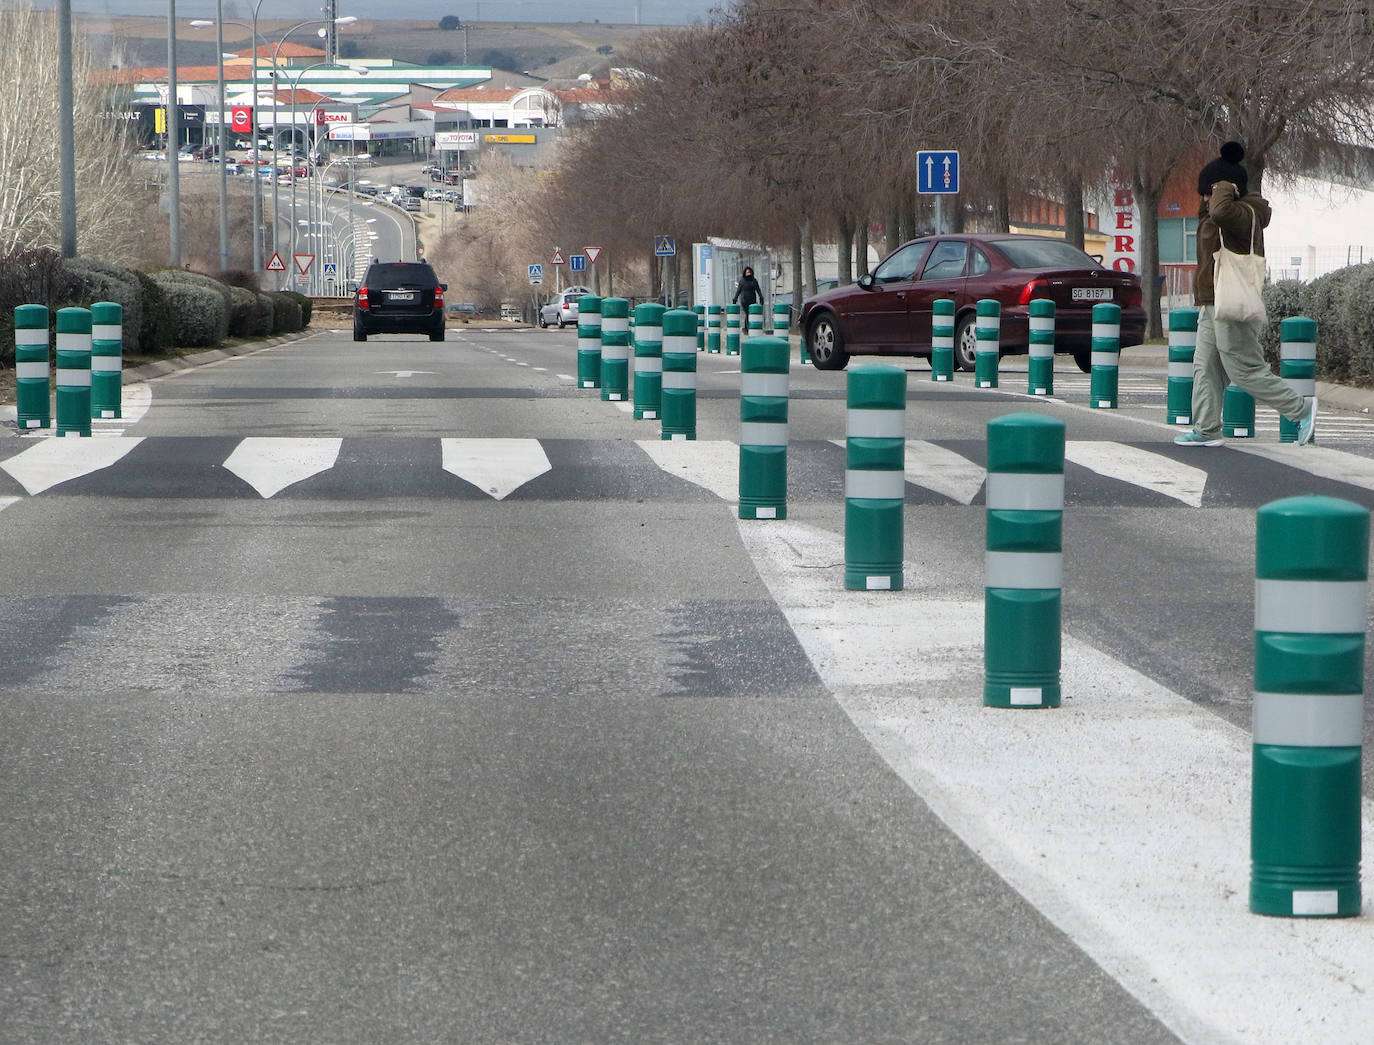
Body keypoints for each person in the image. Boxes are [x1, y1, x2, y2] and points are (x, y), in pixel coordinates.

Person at [1175, 141, 1318, 447]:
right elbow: (1214, 217)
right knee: (1205, 367)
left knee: (1244, 369)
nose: (1204, 198)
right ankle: (1207, 428)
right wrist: (1214, 194)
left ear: (1226, 189)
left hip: (1232, 301)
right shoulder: (1215, 213)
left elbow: (1223, 210)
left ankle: (1301, 409)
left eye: (1208, 191)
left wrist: (1224, 186)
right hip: (1213, 301)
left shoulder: (1243, 213)